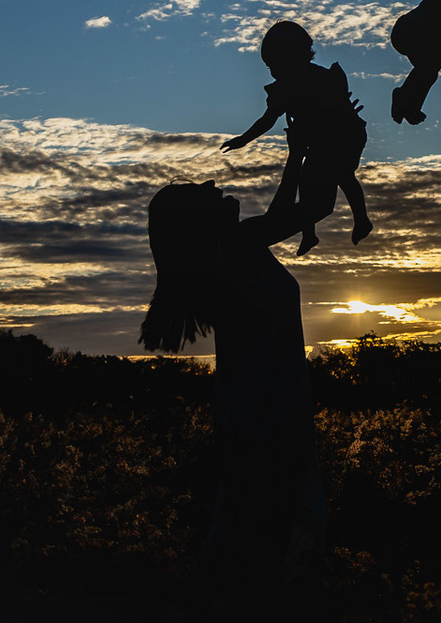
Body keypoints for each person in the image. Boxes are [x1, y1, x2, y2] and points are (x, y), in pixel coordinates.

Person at [139, 136, 325, 607]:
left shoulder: (237, 248)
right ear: (199, 224)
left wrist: (297, 158)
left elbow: (286, 213)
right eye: (202, 192)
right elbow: (307, 209)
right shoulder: (235, 248)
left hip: (258, 413)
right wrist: (320, 150)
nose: (212, 181)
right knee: (274, 557)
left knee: (258, 548)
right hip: (268, 417)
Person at [222, 20, 372, 256]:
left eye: (278, 64)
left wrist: (332, 119)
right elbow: (267, 119)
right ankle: (309, 234)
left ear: (299, 57)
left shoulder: (324, 79)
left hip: (343, 135)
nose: (274, 72)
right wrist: (244, 139)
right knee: (306, 183)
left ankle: (361, 219)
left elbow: (340, 110)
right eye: (270, 67)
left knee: (342, 175)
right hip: (317, 142)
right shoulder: (283, 90)